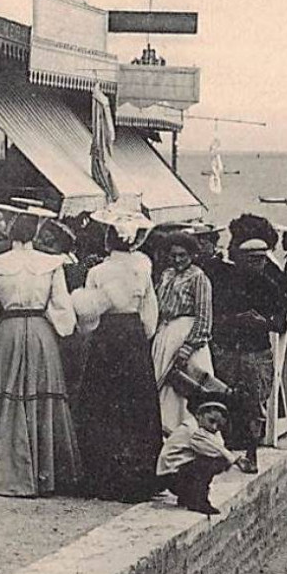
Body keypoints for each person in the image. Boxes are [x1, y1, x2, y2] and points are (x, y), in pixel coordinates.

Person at [0, 211, 82, 497]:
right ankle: (45, 473)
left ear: (11, 234)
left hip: (9, 331)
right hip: (41, 332)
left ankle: (3, 470)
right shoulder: (51, 264)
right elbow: (61, 306)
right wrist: (62, 329)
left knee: (6, 394)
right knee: (42, 394)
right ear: (36, 234)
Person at [70, 210, 164, 503]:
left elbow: (88, 315)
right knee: (135, 405)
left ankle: (102, 475)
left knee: (102, 402)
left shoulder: (98, 271)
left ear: (110, 238)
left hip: (109, 336)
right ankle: (137, 476)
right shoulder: (143, 266)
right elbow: (151, 313)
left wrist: (88, 327)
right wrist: (141, 335)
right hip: (133, 335)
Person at [210, 222, 287, 474]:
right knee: (223, 399)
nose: (258, 264)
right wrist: (236, 319)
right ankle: (221, 453)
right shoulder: (225, 282)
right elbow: (215, 315)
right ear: (240, 259)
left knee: (255, 403)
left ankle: (251, 453)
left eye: (261, 259)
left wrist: (262, 322)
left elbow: (281, 323)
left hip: (256, 352)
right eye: (252, 259)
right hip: (227, 349)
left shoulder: (271, 286)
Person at [151, 230, 214, 435]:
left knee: (186, 387)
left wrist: (188, 347)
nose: (177, 260)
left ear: (192, 255)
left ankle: (191, 437)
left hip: (187, 337)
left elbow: (204, 317)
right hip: (165, 335)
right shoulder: (166, 275)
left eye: (182, 255)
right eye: (173, 255)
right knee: (163, 389)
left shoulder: (198, 278)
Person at [156, 401, 238, 515]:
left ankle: (187, 497)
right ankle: (198, 501)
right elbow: (216, 449)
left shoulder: (204, 429)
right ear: (199, 415)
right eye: (211, 421)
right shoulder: (193, 430)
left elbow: (219, 444)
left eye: (218, 426)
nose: (214, 427)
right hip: (170, 475)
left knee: (211, 462)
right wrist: (234, 460)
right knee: (210, 462)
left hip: (175, 472)